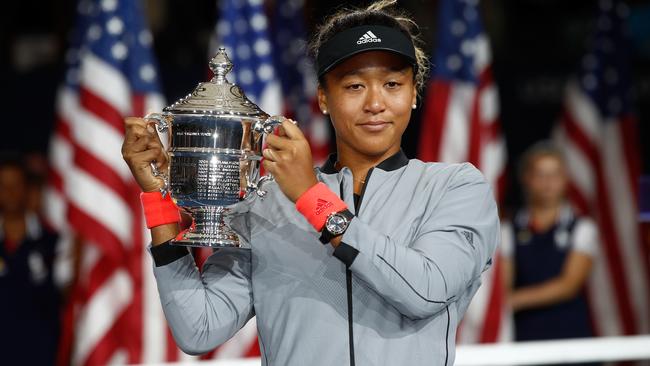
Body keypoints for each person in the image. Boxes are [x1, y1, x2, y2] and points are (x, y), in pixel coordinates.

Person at [121, 1, 499, 365]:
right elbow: (199, 329)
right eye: (354, 86)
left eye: (392, 84)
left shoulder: (457, 189)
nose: (375, 103)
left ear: (414, 94)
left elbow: (424, 292)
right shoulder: (266, 205)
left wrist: (310, 197)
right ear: (323, 98)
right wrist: (159, 198)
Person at [501, 142, 597, 344]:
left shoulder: (582, 228)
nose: (548, 183)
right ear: (526, 179)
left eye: (554, 175)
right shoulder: (508, 230)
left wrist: (514, 300)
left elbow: (569, 285)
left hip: (571, 338)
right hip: (523, 336)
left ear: (565, 179)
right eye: (540, 174)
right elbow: (503, 281)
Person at [0, 155, 61, 365]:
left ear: (27, 188)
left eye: (16, 185)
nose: (10, 192)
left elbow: (64, 298)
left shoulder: (52, 242)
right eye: (4, 185)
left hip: (41, 355)